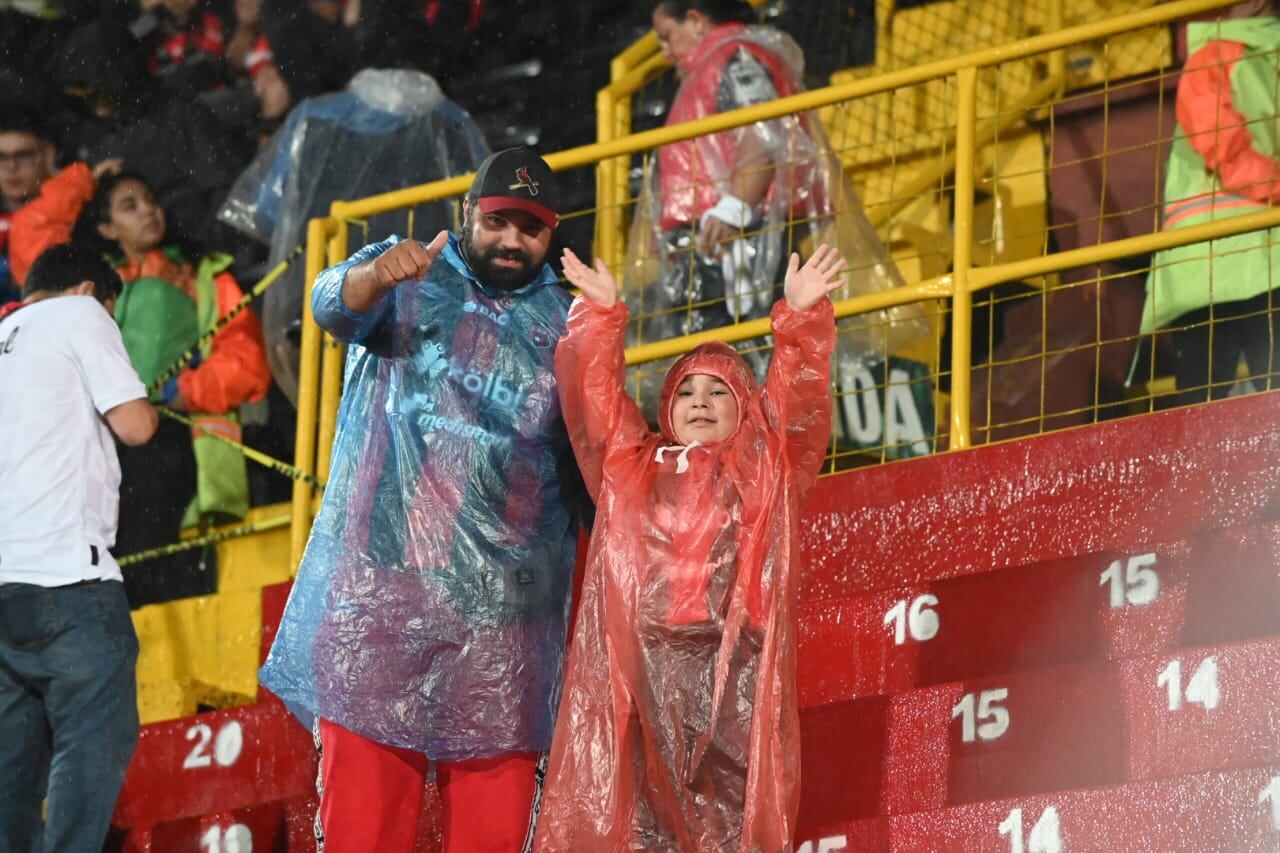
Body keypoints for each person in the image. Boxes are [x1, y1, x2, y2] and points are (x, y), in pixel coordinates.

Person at [259, 147, 586, 853]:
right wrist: (375, 275)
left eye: (531, 229)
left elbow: (603, 451)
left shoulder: (570, 323)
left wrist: (609, 326)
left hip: (503, 625)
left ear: (551, 236)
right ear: (467, 213)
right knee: (362, 837)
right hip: (380, 607)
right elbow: (325, 303)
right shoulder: (409, 272)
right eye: (498, 220)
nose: (511, 241)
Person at [534, 243, 846, 850]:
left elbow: (797, 406)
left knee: (731, 812)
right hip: (648, 662)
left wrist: (801, 319)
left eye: (718, 391)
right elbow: (597, 404)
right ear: (666, 407)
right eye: (686, 392)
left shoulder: (766, 463)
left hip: (738, 664)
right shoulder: (633, 464)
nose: (700, 402)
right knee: (649, 820)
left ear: (745, 406)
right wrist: (601, 318)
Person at [630, 0, 923, 451]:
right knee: (716, 358)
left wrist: (733, 207)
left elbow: (760, 136)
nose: (665, 52)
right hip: (718, 240)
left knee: (735, 353)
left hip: (734, 242)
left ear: (695, 19)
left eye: (667, 36)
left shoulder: (736, 57)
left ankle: (753, 452)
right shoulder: (721, 62)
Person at [0, 243, 158, 852]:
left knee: (12, 778)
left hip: (5, 589)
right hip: (68, 581)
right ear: (92, 291)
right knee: (92, 744)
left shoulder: (5, 335)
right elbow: (136, 425)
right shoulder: (82, 313)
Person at [219, 65, 487, 403]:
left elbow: (265, 212)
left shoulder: (312, 116)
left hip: (319, 318)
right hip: (422, 315)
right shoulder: (452, 122)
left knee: (334, 423)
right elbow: (482, 222)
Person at [78, 170, 271, 606]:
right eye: (130, 206)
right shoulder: (90, 290)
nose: (148, 211)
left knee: (164, 561)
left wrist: (185, 390)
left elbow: (246, 362)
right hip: (104, 448)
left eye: (150, 200)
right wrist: (81, 179)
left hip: (178, 437)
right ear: (107, 229)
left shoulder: (203, 275)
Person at [1141, 0, 1280, 406]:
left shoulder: (1217, 54)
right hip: (1251, 265)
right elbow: (1225, 148)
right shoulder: (1234, 54)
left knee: (1203, 405)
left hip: (1206, 269)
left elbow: (1219, 142)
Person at [0, 107, 120, 300]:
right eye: (1, 157)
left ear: (49, 155)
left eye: (23, 155)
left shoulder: (84, 209)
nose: (11, 167)